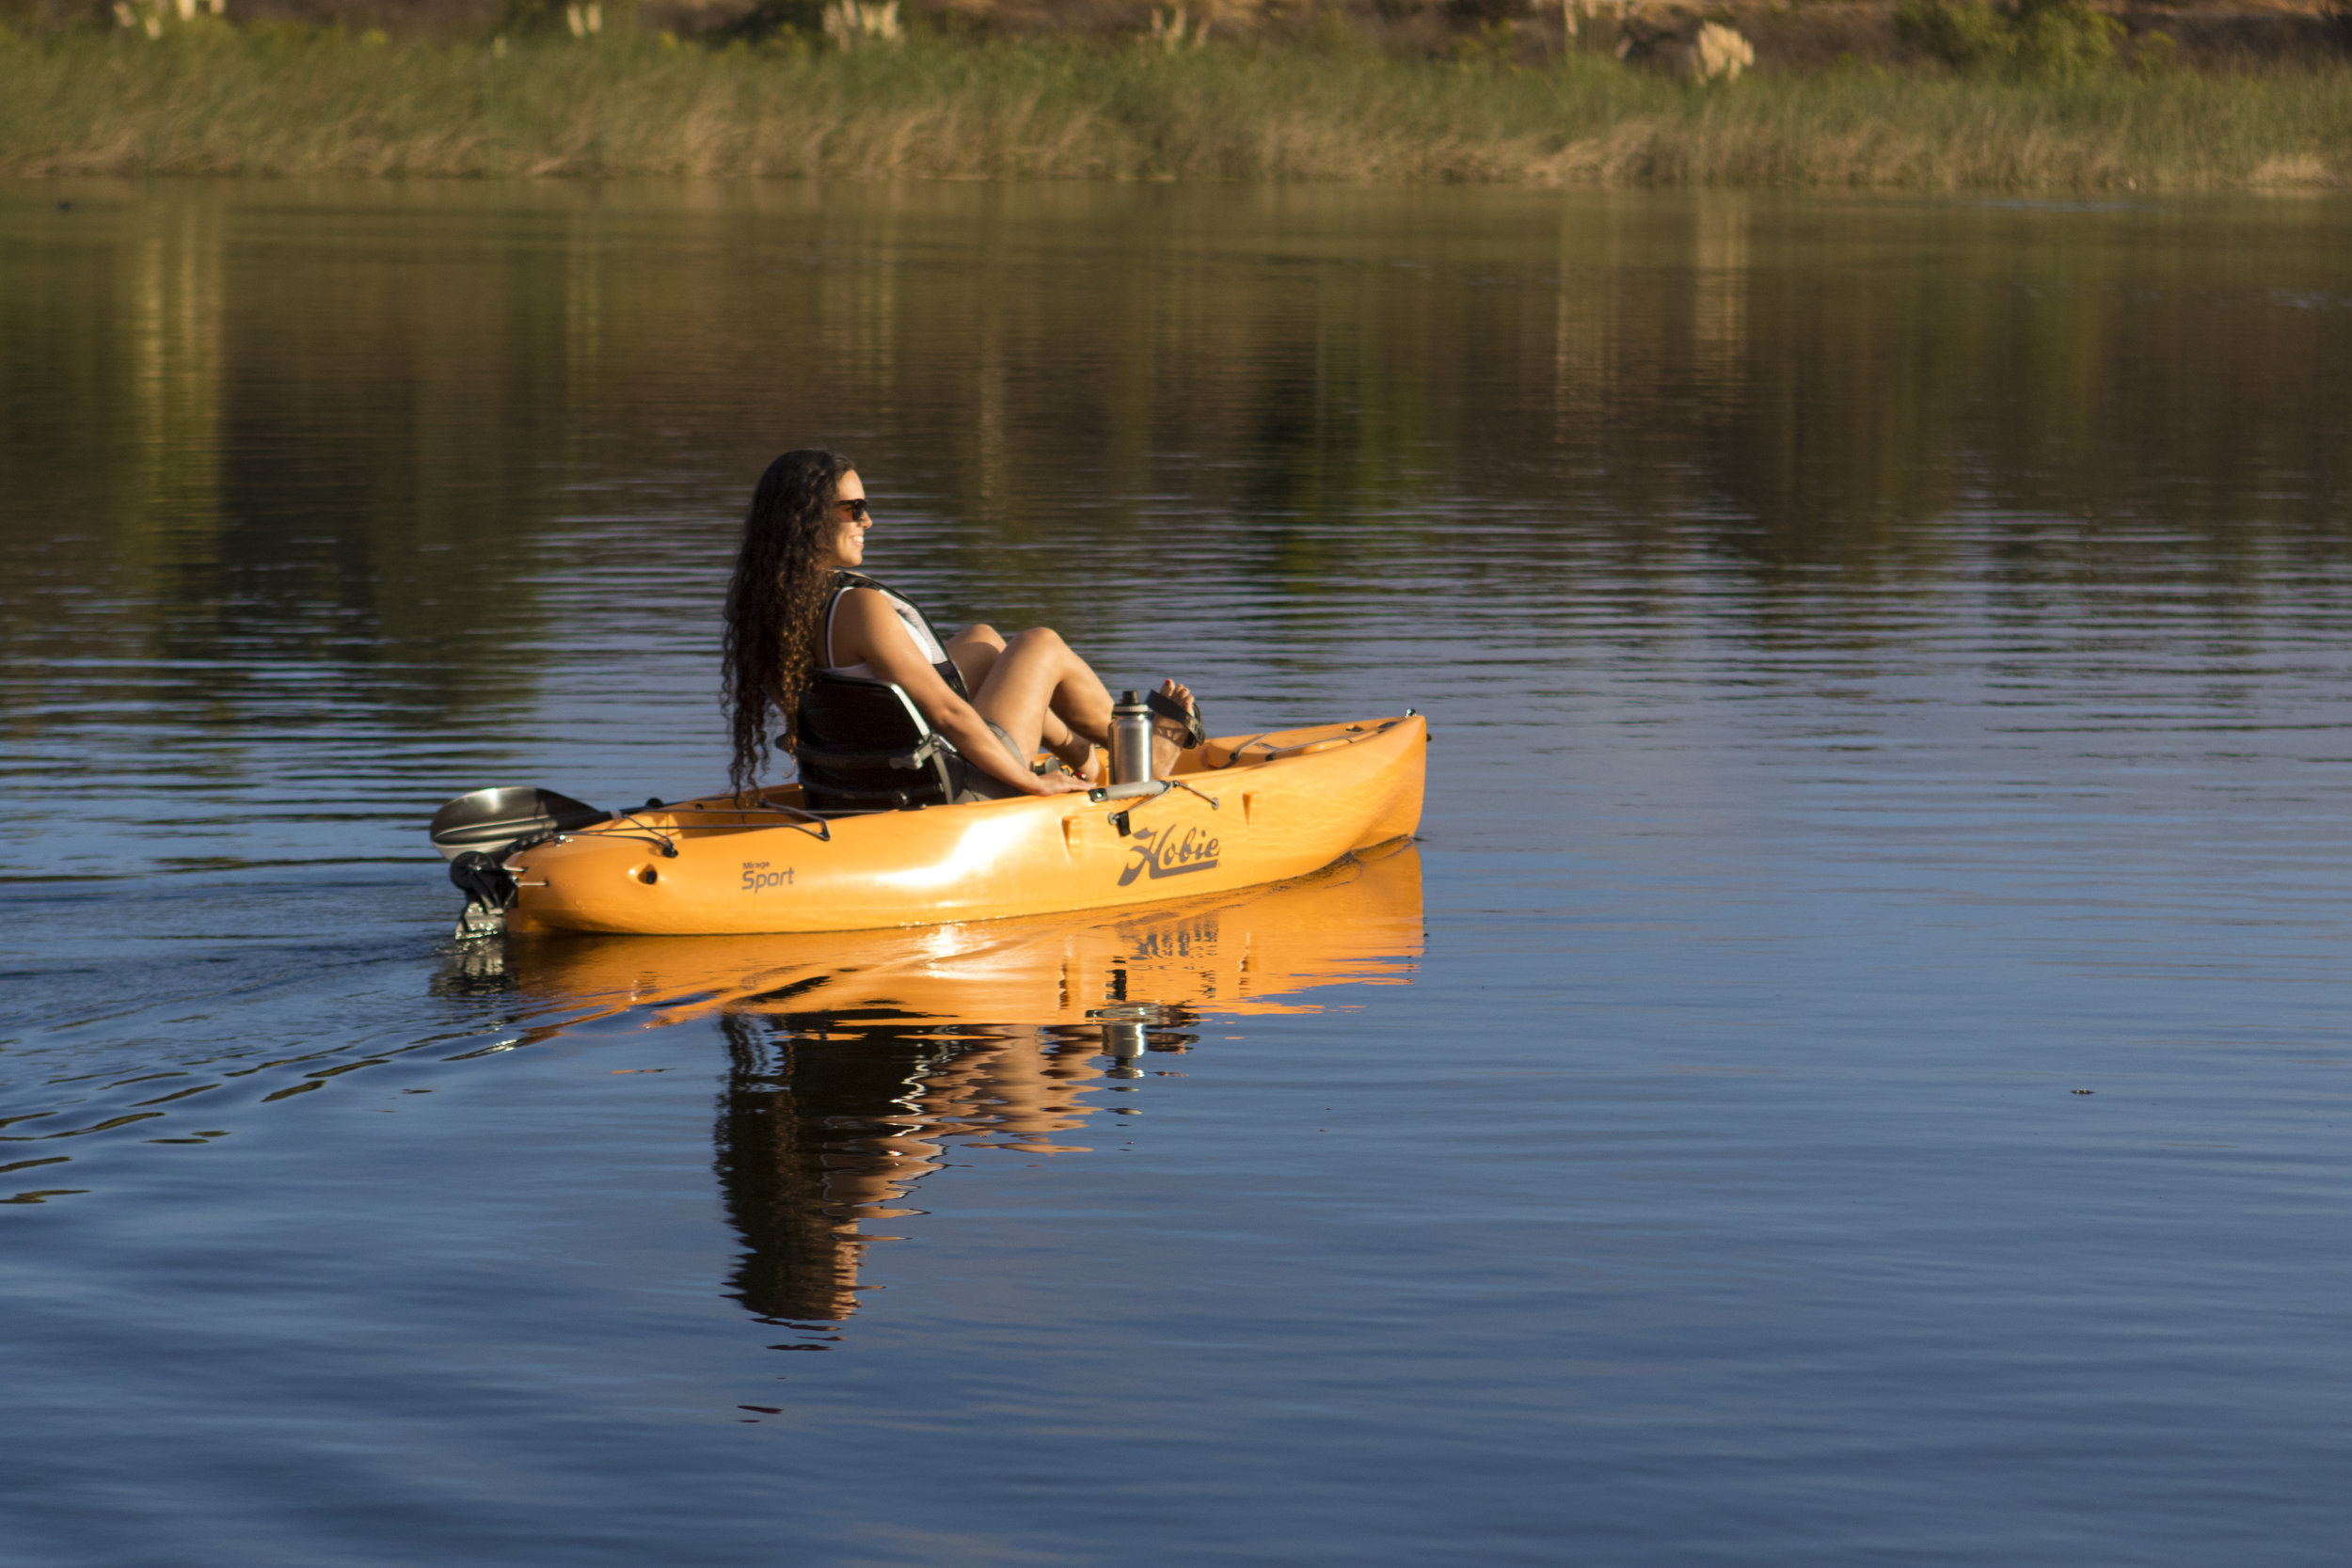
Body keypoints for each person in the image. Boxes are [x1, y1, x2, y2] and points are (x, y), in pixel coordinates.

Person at [722, 449, 1200, 802]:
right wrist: (1031, 783)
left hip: (861, 784)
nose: (868, 521)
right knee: (1040, 645)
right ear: (806, 520)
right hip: (940, 791)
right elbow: (949, 716)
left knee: (984, 642)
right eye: (854, 509)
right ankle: (1141, 766)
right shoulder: (858, 607)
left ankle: (1091, 763)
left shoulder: (777, 605)